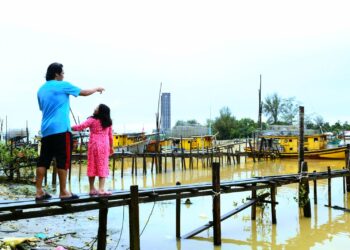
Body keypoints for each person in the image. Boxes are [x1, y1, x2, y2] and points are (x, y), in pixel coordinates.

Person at [36, 62, 105, 201]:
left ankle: (38, 191)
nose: (63, 75)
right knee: (63, 160)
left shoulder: (40, 90)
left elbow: (42, 108)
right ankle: (63, 192)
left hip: (46, 130)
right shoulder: (63, 85)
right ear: (57, 74)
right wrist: (97, 88)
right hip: (61, 129)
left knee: (43, 160)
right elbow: (84, 93)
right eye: (62, 72)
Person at [72, 104, 114, 195]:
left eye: (97, 108)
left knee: (92, 165)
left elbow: (80, 127)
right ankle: (101, 189)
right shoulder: (108, 122)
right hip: (104, 146)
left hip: (94, 146)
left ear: (100, 111)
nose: (94, 108)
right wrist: (111, 147)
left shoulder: (91, 120)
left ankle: (92, 189)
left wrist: (68, 127)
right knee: (102, 166)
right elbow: (110, 136)